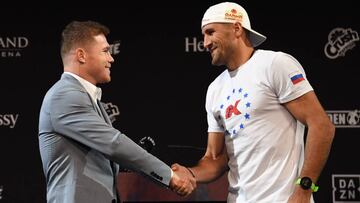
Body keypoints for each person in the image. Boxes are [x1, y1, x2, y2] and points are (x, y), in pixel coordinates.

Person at [172, 2, 335, 203]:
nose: (205, 42)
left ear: (237, 28)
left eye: (210, 32)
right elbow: (215, 159)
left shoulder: (275, 64)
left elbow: (322, 126)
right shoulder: (215, 89)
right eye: (204, 35)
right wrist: (190, 173)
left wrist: (304, 190)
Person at [38, 20, 195, 203]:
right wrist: (170, 176)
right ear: (81, 55)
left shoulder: (86, 97)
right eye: (105, 51)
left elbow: (96, 157)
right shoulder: (66, 95)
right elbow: (113, 144)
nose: (111, 58)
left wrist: (123, 163)